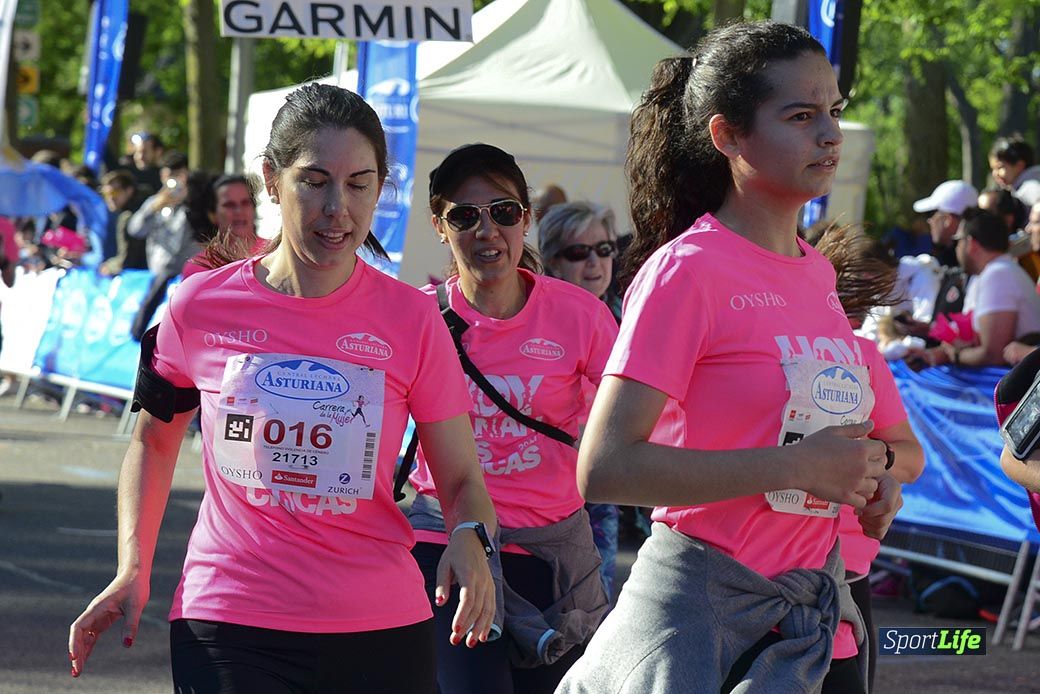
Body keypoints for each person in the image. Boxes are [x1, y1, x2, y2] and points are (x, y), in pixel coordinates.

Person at [68, 84, 497, 693]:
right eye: (314, 181)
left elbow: (460, 479)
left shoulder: (413, 319)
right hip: (230, 620)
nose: (337, 208)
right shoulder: (199, 305)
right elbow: (154, 442)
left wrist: (468, 538)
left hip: (378, 625)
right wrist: (131, 566)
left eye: (359, 185)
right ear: (272, 180)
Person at [556, 22, 892, 694]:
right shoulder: (688, 271)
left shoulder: (815, 275)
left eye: (834, 111)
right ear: (727, 136)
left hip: (817, 622)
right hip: (707, 630)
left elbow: (799, 442)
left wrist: (866, 480)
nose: (830, 134)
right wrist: (796, 466)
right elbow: (605, 468)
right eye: (800, 116)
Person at [406, 143, 618, 694]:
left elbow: (633, 426)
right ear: (439, 225)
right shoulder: (417, 317)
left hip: (552, 549)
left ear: (526, 219)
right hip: (446, 537)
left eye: (503, 212)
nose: (486, 231)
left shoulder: (582, 317)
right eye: (464, 216)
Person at [812, 224, 925, 691]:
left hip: (847, 577)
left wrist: (866, 457)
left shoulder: (861, 356)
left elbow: (912, 461)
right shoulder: (745, 347)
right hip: (756, 577)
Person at [538, 201, 622, 598]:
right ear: (553, 260)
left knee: (593, 607)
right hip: (540, 486)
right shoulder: (537, 316)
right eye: (579, 252)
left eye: (604, 249)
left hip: (599, 485)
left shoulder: (629, 317)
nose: (595, 262)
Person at [911, 207, 1040, 368]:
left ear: (971, 244)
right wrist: (932, 355)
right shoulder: (987, 273)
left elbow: (993, 355)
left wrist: (956, 355)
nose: (956, 247)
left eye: (958, 241)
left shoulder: (999, 274)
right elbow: (969, 340)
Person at [126, 151, 200, 339]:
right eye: (168, 177)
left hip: (184, 277)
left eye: (176, 177)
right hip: (155, 274)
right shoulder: (155, 202)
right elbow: (135, 229)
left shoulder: (196, 202)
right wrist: (155, 206)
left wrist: (189, 200)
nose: (171, 183)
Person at [181, 173, 263, 279]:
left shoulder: (277, 254)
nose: (239, 211)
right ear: (212, 215)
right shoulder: (197, 269)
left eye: (245, 203)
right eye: (229, 205)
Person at [913, 179, 979, 269]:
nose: (929, 220)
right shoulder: (980, 256)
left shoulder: (973, 264)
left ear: (948, 220)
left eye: (931, 213)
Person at [98, 170, 148, 275]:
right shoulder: (143, 208)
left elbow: (125, 260)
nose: (111, 198)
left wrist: (109, 267)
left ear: (129, 191)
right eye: (106, 194)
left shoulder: (127, 217)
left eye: (115, 192)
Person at [990, 134, 1040, 208]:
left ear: (1019, 165)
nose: (995, 174)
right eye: (993, 169)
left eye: (1000, 167)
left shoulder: (1031, 188)